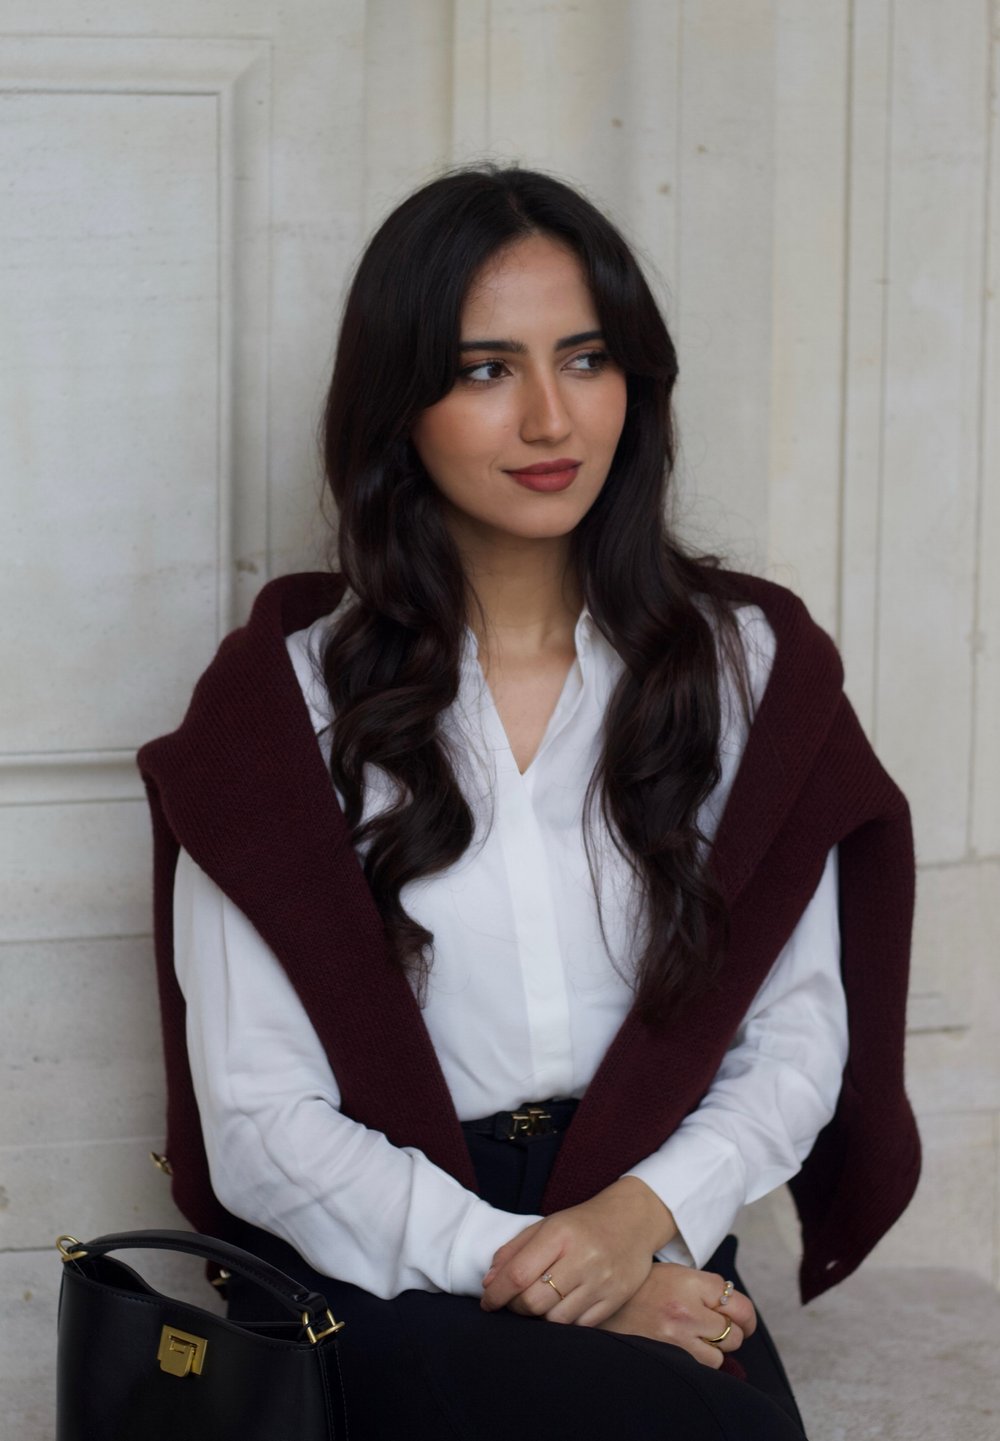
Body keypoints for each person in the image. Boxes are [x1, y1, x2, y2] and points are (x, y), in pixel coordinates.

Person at [139, 166, 920, 1440]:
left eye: (587, 357)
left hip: (644, 1210)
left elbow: (793, 1044)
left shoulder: (745, 672)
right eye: (486, 369)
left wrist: (633, 1229)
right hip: (384, 1246)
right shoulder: (283, 711)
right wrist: (543, 1272)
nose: (552, 418)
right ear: (399, 406)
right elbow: (259, 1120)